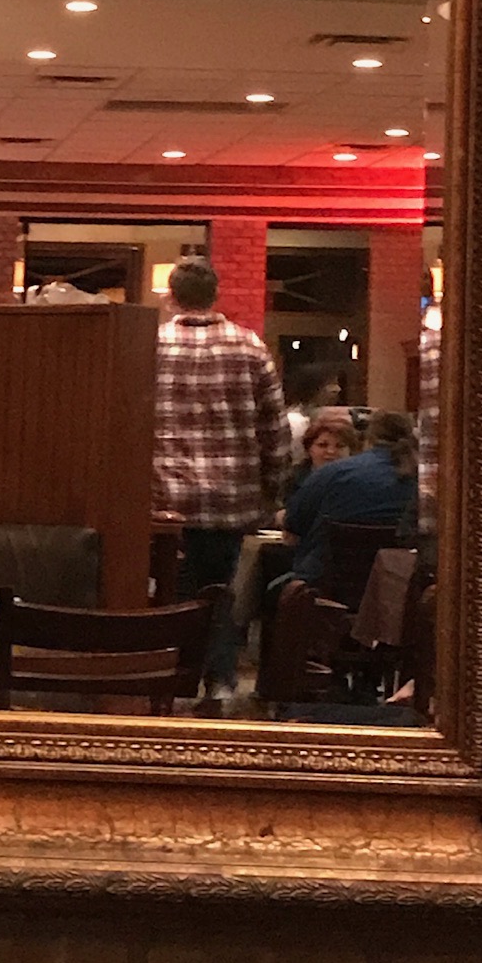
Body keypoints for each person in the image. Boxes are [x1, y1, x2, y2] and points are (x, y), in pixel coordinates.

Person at [153, 257, 292, 695]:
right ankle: (221, 681)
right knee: (219, 590)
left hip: (164, 499)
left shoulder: (151, 345)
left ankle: (171, 680)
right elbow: (275, 429)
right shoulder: (249, 346)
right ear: (216, 295)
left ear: (172, 296)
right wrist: (274, 488)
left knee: (173, 593)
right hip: (232, 497)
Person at [281, 408, 417, 588]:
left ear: (369, 437)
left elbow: (293, 527)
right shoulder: (425, 479)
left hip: (324, 586)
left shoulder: (332, 473)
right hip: (397, 589)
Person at [284, 362, 347, 460]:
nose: (338, 389)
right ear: (313, 388)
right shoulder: (295, 422)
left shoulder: (331, 417)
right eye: (331, 384)